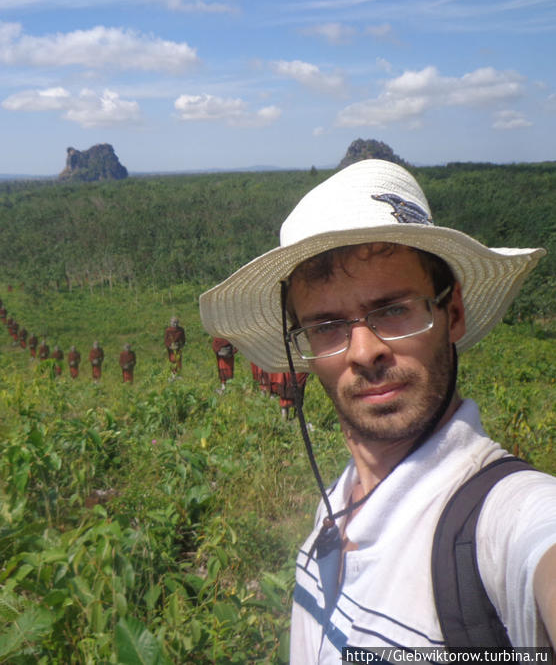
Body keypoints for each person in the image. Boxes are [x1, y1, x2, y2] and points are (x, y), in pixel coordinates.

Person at [199, 160, 555, 656]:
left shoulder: (505, 519)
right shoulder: (332, 507)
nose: (363, 351)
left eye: (393, 310)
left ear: (452, 315)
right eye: (326, 326)